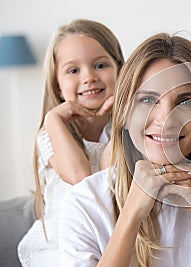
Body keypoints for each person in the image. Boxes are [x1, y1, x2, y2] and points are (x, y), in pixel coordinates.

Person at [59, 33, 191, 267]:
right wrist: (132, 213)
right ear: (124, 112)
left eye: (185, 102)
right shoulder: (84, 203)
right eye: (148, 100)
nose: (167, 119)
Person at [17, 19, 124, 266]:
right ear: (57, 84)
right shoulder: (50, 133)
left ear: (120, 69)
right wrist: (53, 118)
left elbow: (110, 176)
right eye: (73, 70)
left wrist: (123, 118)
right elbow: (82, 178)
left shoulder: (127, 127)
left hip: (113, 238)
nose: (89, 77)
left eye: (100, 65)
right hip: (63, 243)